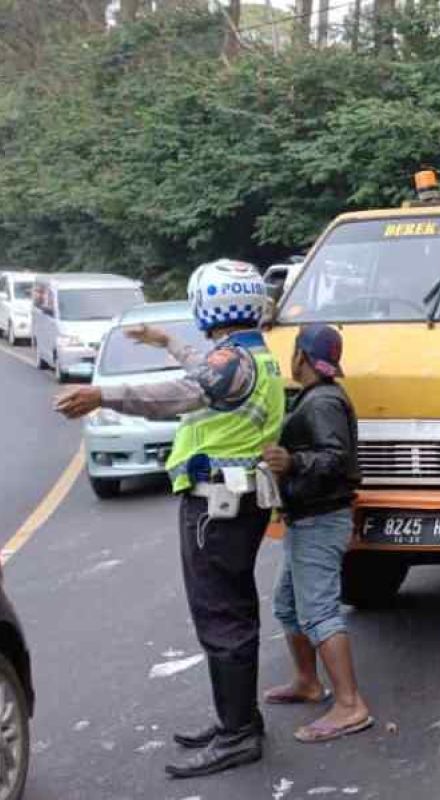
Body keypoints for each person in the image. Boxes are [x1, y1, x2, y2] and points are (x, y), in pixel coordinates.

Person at [54, 259, 285, 778]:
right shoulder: (249, 355)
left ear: (209, 304)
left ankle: (238, 736)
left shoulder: (233, 363)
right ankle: (239, 719)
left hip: (217, 509)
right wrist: (166, 343)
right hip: (234, 503)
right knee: (233, 610)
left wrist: (102, 394)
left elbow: (179, 394)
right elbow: (203, 371)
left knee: (221, 617)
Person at [262, 324, 372, 743]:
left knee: (320, 612)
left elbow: (336, 459)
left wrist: (292, 463)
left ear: (301, 357)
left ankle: (350, 706)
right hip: (305, 517)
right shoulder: (313, 397)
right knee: (289, 605)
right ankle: (308, 682)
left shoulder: (323, 400)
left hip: (320, 519)